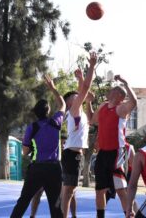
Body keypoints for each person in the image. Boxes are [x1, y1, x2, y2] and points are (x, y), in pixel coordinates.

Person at [10, 75, 65, 218]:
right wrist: (53, 88)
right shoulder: (56, 122)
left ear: (35, 113)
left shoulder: (32, 128)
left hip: (37, 168)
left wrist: (29, 149)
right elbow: (63, 105)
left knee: (23, 201)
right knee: (55, 204)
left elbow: (25, 151)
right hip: (54, 168)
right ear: (48, 111)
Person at [91, 75, 137, 218]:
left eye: (111, 90)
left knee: (121, 189)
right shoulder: (103, 106)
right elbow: (93, 120)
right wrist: (88, 103)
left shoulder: (121, 109)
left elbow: (134, 102)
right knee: (99, 190)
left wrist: (126, 83)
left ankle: (129, 213)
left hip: (117, 151)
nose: (108, 91)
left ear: (118, 95)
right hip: (103, 152)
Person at [61, 53, 96, 218]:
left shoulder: (80, 113)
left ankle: (72, 215)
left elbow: (87, 93)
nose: (79, 94)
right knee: (68, 191)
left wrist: (80, 77)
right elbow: (86, 88)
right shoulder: (74, 110)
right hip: (71, 155)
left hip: (74, 154)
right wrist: (91, 66)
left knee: (71, 191)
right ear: (70, 102)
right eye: (75, 95)